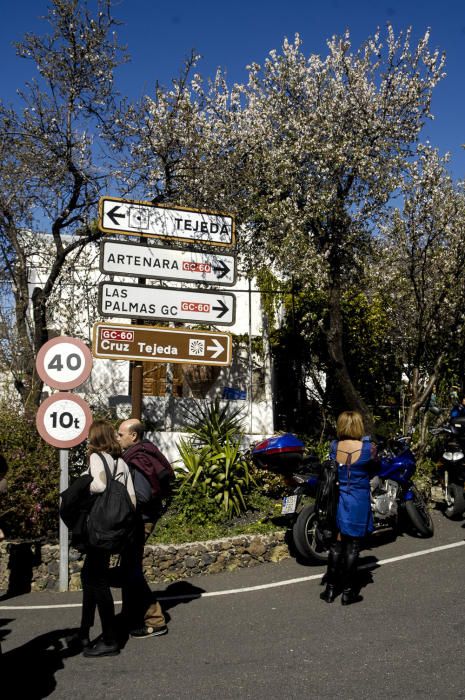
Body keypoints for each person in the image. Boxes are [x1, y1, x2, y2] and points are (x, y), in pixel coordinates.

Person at [78, 419, 136, 658]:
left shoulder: (96, 458)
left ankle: (110, 639)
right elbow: (131, 498)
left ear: (95, 438)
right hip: (116, 530)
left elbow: (99, 485)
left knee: (97, 581)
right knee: (90, 576)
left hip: (98, 530)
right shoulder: (121, 462)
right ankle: (84, 632)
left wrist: (82, 484)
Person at [117, 419, 172, 639]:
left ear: (133, 436)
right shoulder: (143, 453)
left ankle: (155, 621)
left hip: (140, 520)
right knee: (129, 568)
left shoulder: (137, 460)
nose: (117, 438)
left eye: (121, 434)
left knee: (131, 571)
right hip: (143, 518)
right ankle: (130, 614)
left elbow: (141, 495)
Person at [320, 410, 378, 606]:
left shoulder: (335, 446)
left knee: (337, 545)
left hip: (338, 499)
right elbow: (374, 469)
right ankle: (348, 592)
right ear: (358, 426)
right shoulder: (368, 448)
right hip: (358, 500)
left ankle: (329, 591)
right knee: (352, 546)